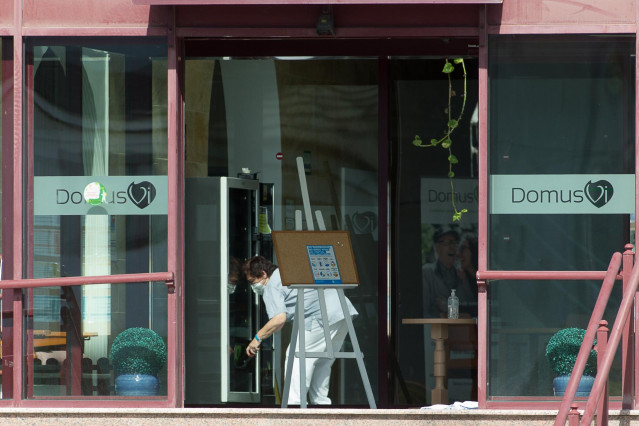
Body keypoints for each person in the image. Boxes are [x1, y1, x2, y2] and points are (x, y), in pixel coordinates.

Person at [243, 255, 358, 405]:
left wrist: (256, 339)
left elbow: (279, 319)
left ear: (263, 274)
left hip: (320, 316)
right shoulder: (287, 272)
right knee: (323, 359)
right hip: (342, 312)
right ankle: (321, 403)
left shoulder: (272, 285)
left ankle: (294, 404)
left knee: (297, 356)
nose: (254, 286)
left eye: (253, 281)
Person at [422, 226, 476, 318]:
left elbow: (471, 307)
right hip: (436, 330)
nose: (452, 247)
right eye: (447, 243)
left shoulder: (461, 274)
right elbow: (424, 310)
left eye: (455, 243)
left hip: (461, 329)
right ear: (437, 247)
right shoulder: (427, 272)